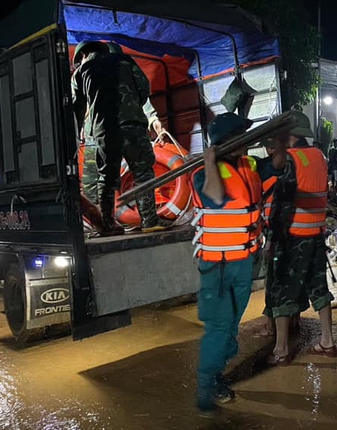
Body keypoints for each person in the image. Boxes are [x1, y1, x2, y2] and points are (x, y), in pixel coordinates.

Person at [189, 112, 267, 416]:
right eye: (241, 136)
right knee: (220, 329)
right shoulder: (202, 174)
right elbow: (215, 197)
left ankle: (216, 376)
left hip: (242, 263)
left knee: (231, 329)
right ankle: (205, 390)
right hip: (217, 268)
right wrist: (210, 160)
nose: (247, 142)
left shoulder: (248, 168)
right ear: (228, 141)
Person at [71, 41, 172, 236]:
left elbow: (77, 105)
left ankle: (108, 226)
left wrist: (81, 129)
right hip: (132, 126)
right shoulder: (125, 60)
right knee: (143, 173)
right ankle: (149, 221)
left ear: (83, 55)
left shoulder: (81, 72)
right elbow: (143, 87)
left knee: (106, 179)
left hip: (104, 131)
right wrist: (131, 106)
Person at [263, 114, 336, 365]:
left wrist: (272, 238)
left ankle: (281, 349)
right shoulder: (319, 156)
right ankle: (327, 340)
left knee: (283, 289)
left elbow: (283, 204)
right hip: (315, 234)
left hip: (292, 237)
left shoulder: (291, 160)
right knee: (318, 285)